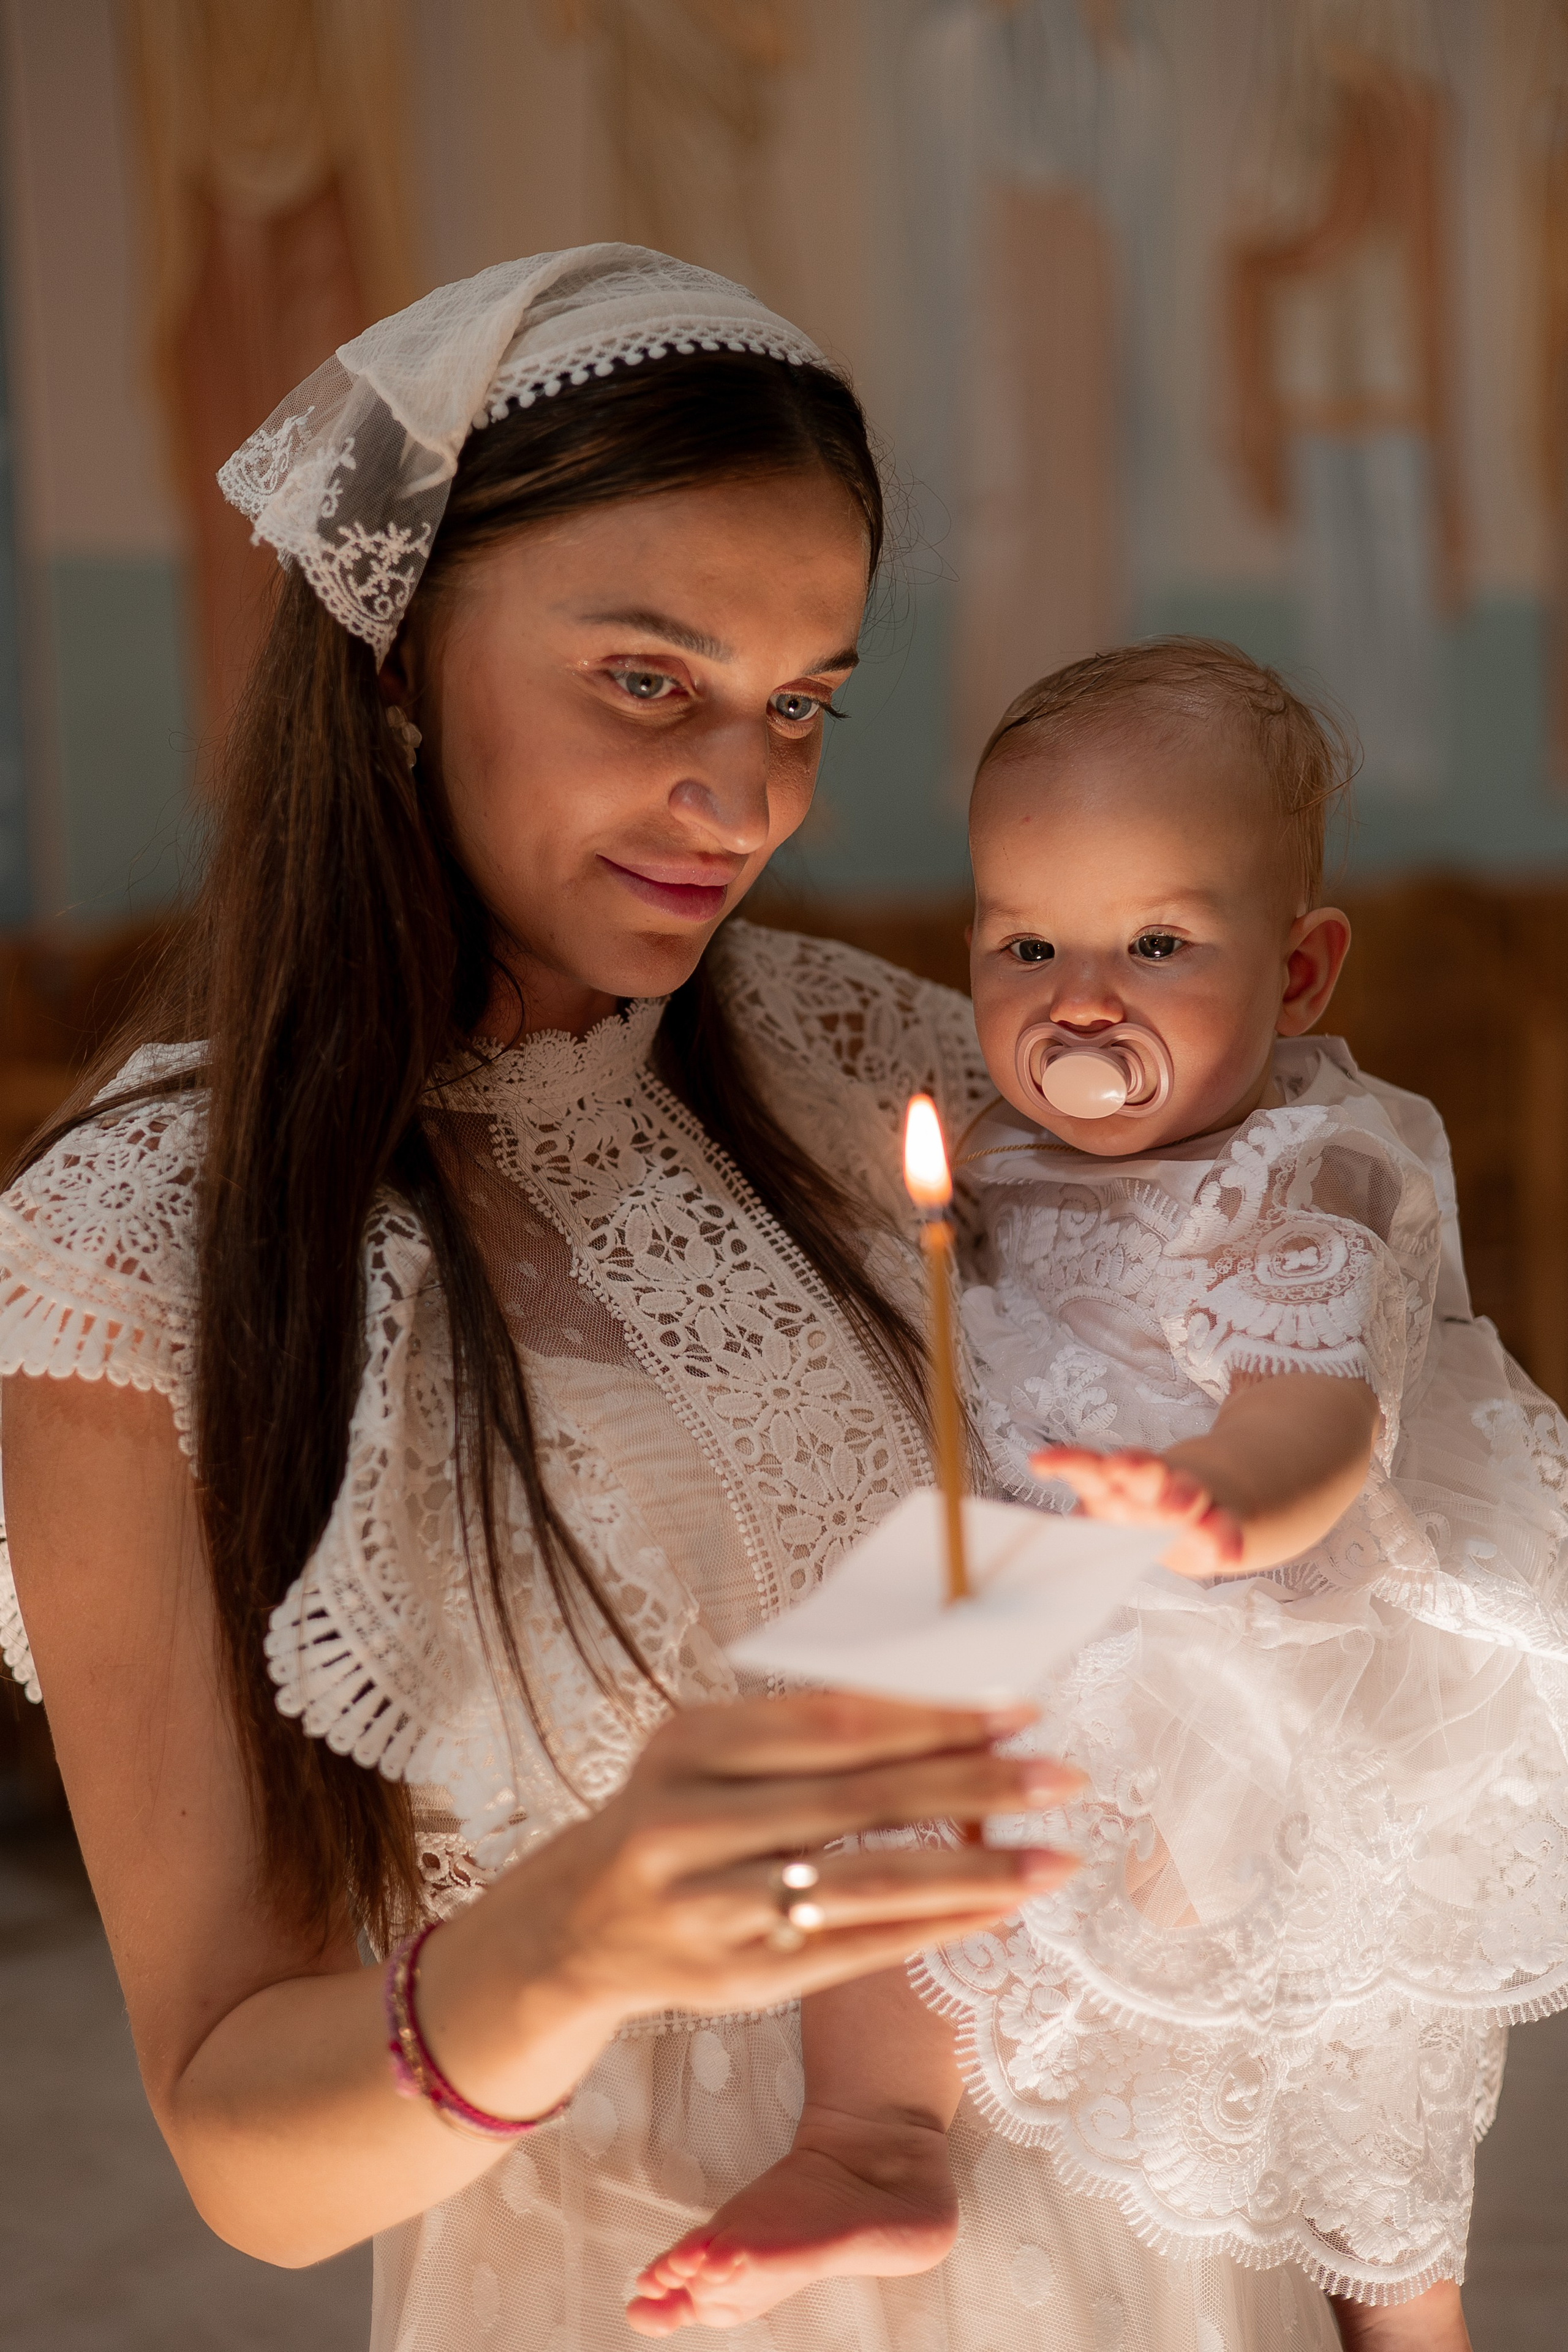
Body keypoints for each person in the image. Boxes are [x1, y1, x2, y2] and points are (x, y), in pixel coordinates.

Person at [0, 255, 1340, 2352]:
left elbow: (1306, 1338)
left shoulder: (859, 1059)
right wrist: (570, 1938)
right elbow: (238, 2146)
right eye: (651, 679)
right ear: (396, 655)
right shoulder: (133, 1261)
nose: (753, 802)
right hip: (661, 2277)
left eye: (803, 699)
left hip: (1144, 2240)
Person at [649, 636, 1568, 2352]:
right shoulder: (999, 1148)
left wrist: (1217, 1499)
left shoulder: (1327, 1163)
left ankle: (1410, 2312)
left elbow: (1322, 1413)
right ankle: (870, 2135)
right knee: (869, 1741)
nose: (1080, 999)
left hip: (1262, 1620)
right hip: (1045, 1585)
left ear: (1297, 972)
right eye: (1025, 945)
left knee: (1338, 2054)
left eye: (1157, 944)